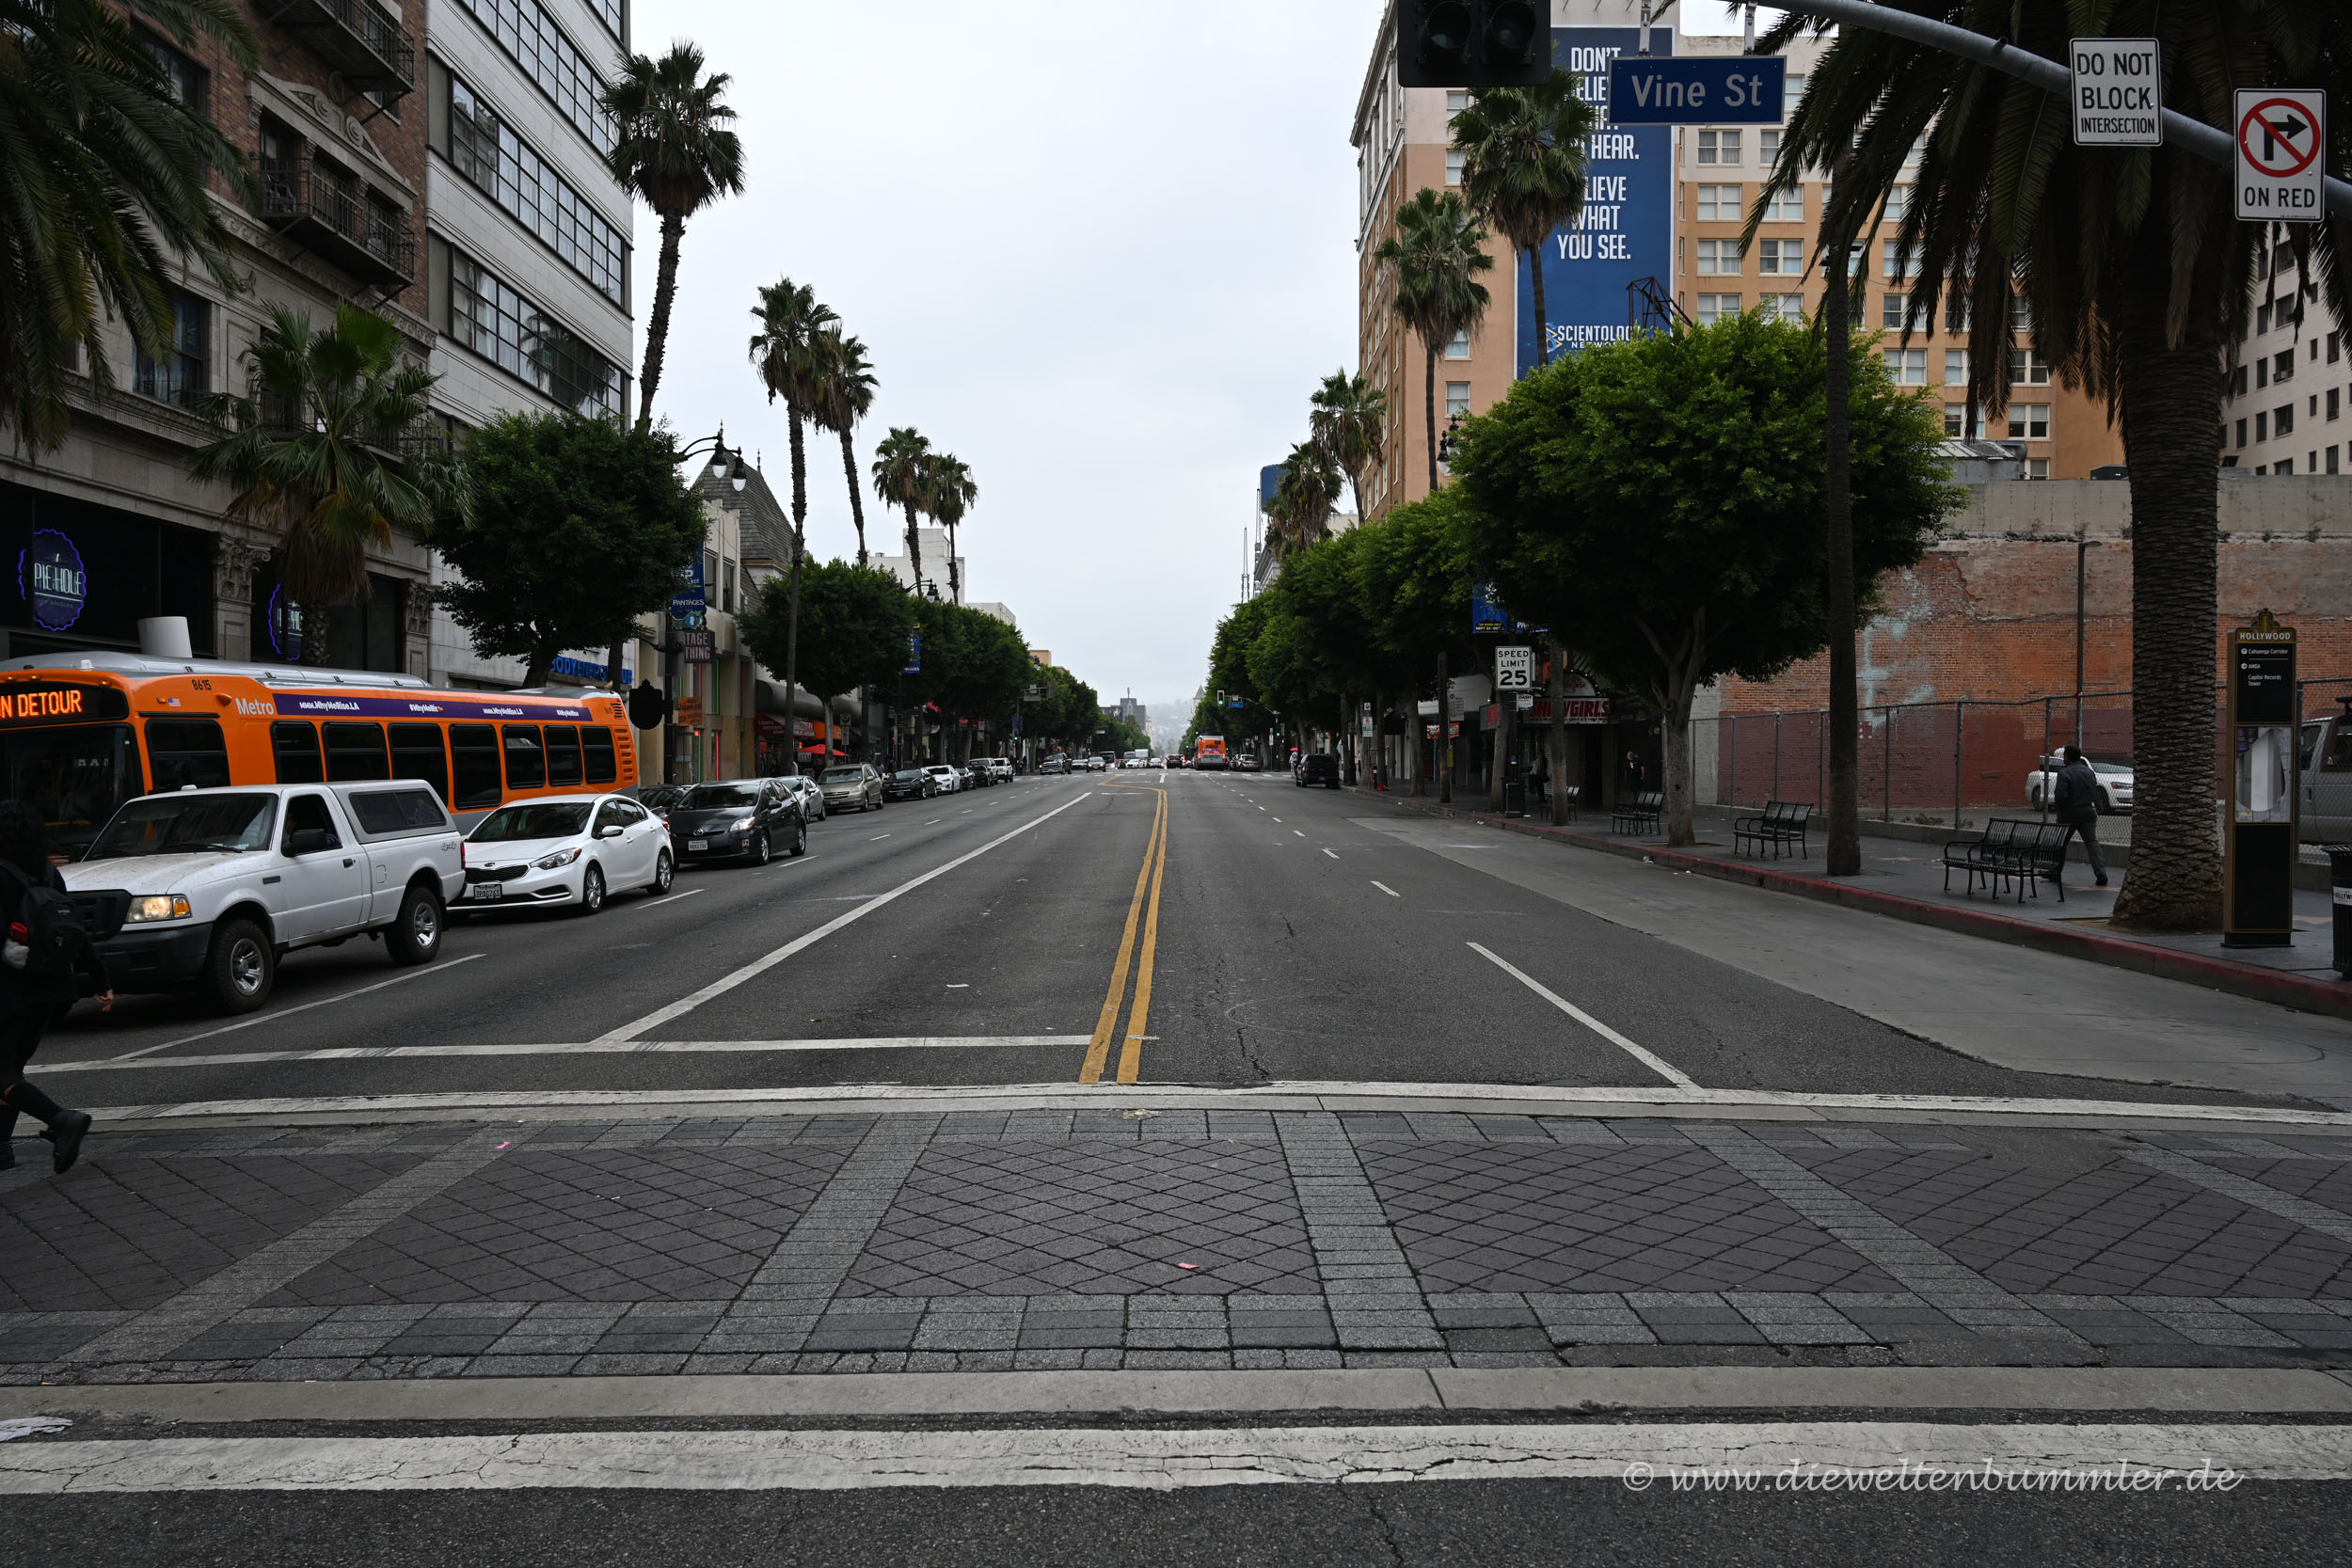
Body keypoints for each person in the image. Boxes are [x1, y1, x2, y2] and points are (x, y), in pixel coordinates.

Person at [0, 801, 109, 1173]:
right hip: (50, 988)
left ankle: (61, 1119)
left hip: (9, 989)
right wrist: (100, 979)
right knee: (11, 1070)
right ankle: (2, 1148)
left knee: (4, 1074)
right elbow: (74, 929)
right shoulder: (48, 873)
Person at [2050, 745, 2110, 888]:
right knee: (2092, 843)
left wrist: (2061, 807)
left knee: (2060, 843)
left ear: (2067, 757)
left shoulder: (2064, 773)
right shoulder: (2089, 772)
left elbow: (2060, 797)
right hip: (2087, 812)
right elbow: (2094, 793)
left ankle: (2054, 871)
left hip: (2068, 813)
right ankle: (2101, 874)